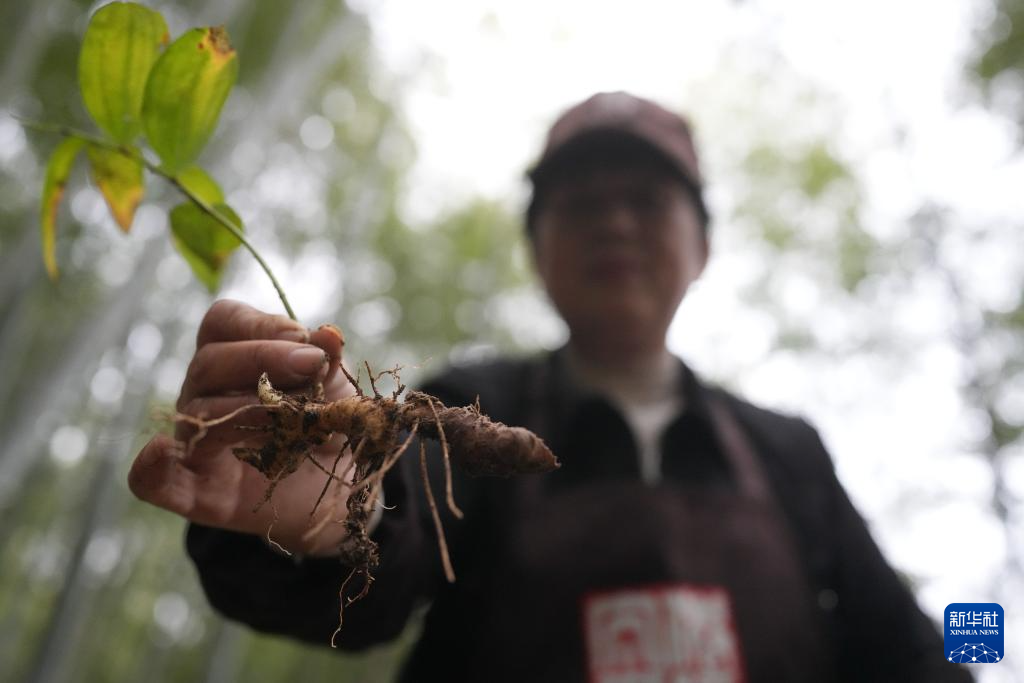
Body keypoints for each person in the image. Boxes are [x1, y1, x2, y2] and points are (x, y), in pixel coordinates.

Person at [128, 92, 971, 682]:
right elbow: (383, 579)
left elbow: (912, 649)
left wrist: (986, 649)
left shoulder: (788, 448)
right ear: (537, 252)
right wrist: (332, 517)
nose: (615, 222)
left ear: (703, 246)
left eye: (646, 200)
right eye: (582, 203)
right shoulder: (472, 398)